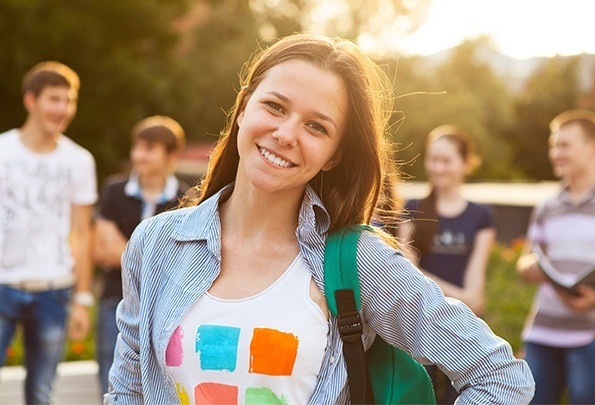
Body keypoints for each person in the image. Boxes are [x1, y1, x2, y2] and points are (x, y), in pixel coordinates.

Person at [105, 33, 534, 404]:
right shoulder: (157, 243)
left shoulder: (357, 262)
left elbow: (501, 376)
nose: (287, 134)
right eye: (274, 106)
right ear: (243, 107)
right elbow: (128, 391)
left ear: (335, 156)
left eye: (316, 127)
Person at [0, 61, 97, 404]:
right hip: (3, 285)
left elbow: (82, 234)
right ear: (31, 100)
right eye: (54, 99)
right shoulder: (3, 152)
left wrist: (83, 301)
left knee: (41, 393)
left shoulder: (79, 160)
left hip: (54, 292)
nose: (62, 109)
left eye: (68, 101)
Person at [398, 125, 496, 403]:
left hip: (462, 330)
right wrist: (461, 295)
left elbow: (476, 299)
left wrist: (424, 277)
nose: (438, 168)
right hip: (419, 328)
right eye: (433, 159)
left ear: (466, 163)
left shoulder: (481, 216)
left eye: (446, 161)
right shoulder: (413, 207)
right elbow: (404, 272)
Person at [93, 115, 189, 395]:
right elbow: (103, 248)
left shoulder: (186, 199)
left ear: (171, 155)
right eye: (137, 147)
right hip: (115, 299)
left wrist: (126, 254)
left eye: (149, 148)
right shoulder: (114, 190)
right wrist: (154, 260)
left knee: (157, 384)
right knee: (111, 382)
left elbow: (181, 260)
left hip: (162, 306)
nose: (138, 155)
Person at [516, 109, 595, 404]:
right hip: (542, 333)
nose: (555, 153)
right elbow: (525, 259)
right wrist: (532, 267)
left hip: (590, 334)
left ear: (591, 149)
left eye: (564, 145)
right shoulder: (547, 206)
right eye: (553, 145)